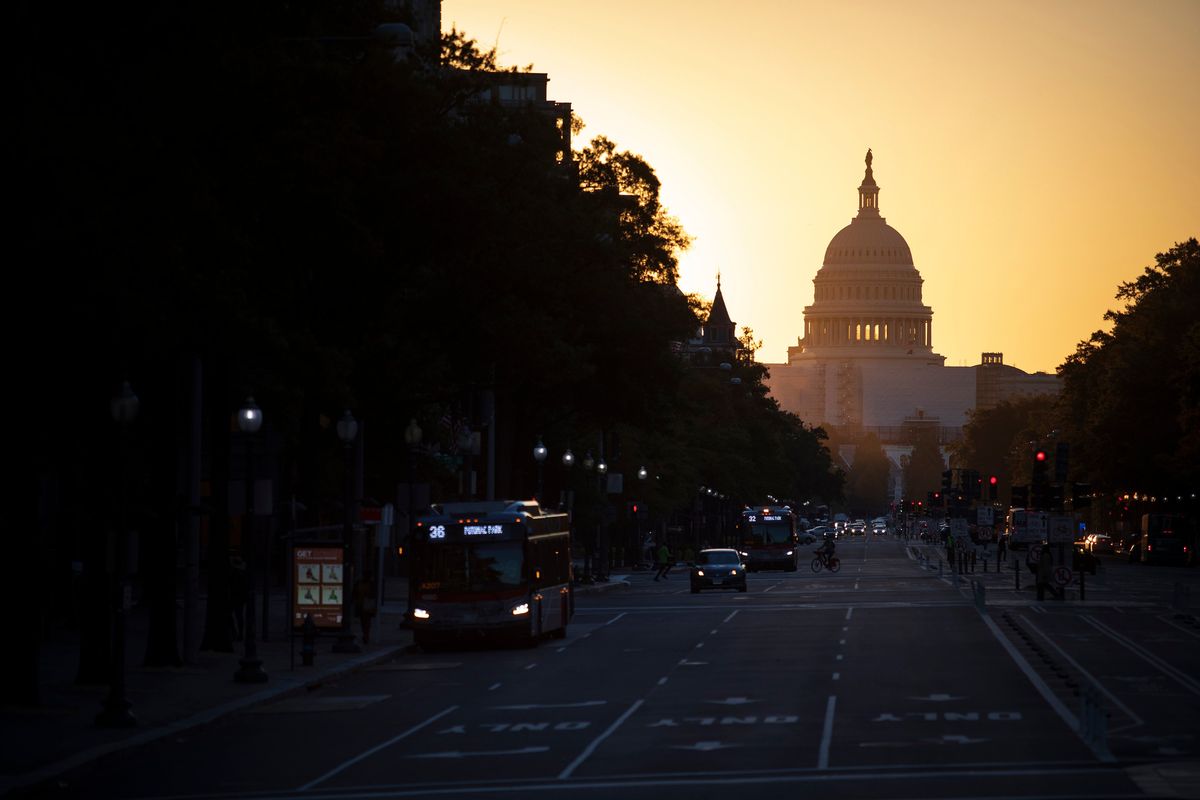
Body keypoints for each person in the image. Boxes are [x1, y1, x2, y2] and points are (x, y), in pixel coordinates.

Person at [353, 571, 378, 644]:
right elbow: (355, 592)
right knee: (363, 621)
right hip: (361, 605)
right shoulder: (359, 583)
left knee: (367, 621)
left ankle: (366, 635)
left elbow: (374, 594)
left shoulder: (371, 584)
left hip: (367, 605)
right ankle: (365, 634)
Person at [229, 554, 248, 640]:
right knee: (239, 616)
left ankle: (236, 633)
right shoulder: (242, 574)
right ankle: (238, 634)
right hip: (239, 598)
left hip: (235, 597)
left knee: (234, 616)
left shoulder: (235, 574)